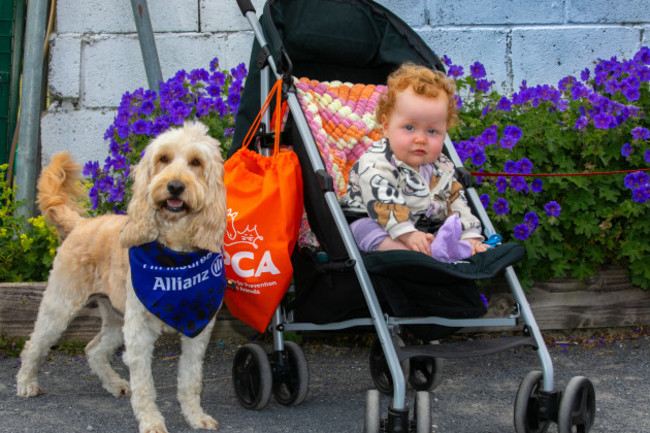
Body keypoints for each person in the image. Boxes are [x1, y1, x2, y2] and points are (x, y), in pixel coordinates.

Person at [341, 63, 489, 262]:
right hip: (373, 218)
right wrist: (408, 234)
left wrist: (470, 235)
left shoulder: (442, 166)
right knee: (363, 231)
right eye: (409, 127)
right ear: (386, 127)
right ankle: (423, 254)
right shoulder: (376, 163)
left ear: (444, 132)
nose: (421, 139)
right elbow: (384, 202)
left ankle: (449, 249)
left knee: (448, 224)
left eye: (432, 131)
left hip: (423, 227)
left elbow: (457, 202)